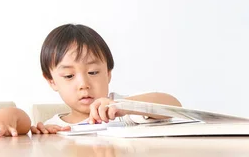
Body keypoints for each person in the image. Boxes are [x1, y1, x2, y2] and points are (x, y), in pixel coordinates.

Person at [31, 24, 181, 134]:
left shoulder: (124, 111)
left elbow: (175, 107)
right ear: (51, 81)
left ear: (108, 74)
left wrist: (124, 106)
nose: (84, 84)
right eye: (69, 76)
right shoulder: (52, 127)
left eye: (93, 72)